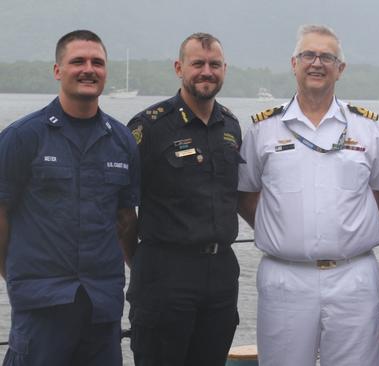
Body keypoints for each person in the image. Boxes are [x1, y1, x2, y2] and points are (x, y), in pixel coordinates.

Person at [238, 24, 379, 366]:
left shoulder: (366, 128)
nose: (317, 63)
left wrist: (347, 229)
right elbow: (246, 194)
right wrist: (285, 230)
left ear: (340, 69)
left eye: (327, 57)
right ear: (293, 63)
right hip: (285, 277)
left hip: (352, 275)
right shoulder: (264, 129)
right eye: (308, 55)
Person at [0, 30, 140, 366]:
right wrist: (15, 274)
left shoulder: (122, 141)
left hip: (101, 306)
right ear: (57, 70)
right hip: (41, 305)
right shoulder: (22, 137)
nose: (88, 69)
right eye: (77, 61)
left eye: (97, 62)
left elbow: (126, 219)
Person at [125, 33, 242, 366]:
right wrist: (145, 263)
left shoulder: (230, 126)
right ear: (179, 67)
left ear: (224, 69)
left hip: (220, 274)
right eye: (198, 64)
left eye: (214, 64)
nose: (207, 71)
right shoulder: (150, 127)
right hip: (165, 273)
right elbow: (121, 209)